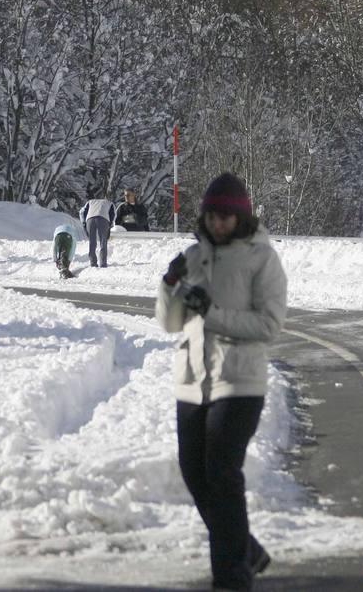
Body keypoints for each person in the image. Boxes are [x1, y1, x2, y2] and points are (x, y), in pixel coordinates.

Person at [156, 172, 286, 592]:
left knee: (221, 471)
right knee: (194, 473)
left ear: (241, 218)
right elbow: (170, 323)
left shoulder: (261, 259)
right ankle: (244, 550)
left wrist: (211, 312)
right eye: (211, 217)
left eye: (226, 218)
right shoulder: (195, 256)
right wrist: (169, 285)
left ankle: (231, 577)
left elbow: (269, 325)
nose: (217, 224)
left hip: (239, 381)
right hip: (193, 380)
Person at [79, 191, 116, 268]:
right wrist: (110, 226)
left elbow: (82, 212)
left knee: (92, 242)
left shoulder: (90, 202)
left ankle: (93, 263)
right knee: (103, 242)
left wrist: (84, 223)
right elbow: (113, 215)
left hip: (90, 219)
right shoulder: (109, 203)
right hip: (103, 219)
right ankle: (103, 263)